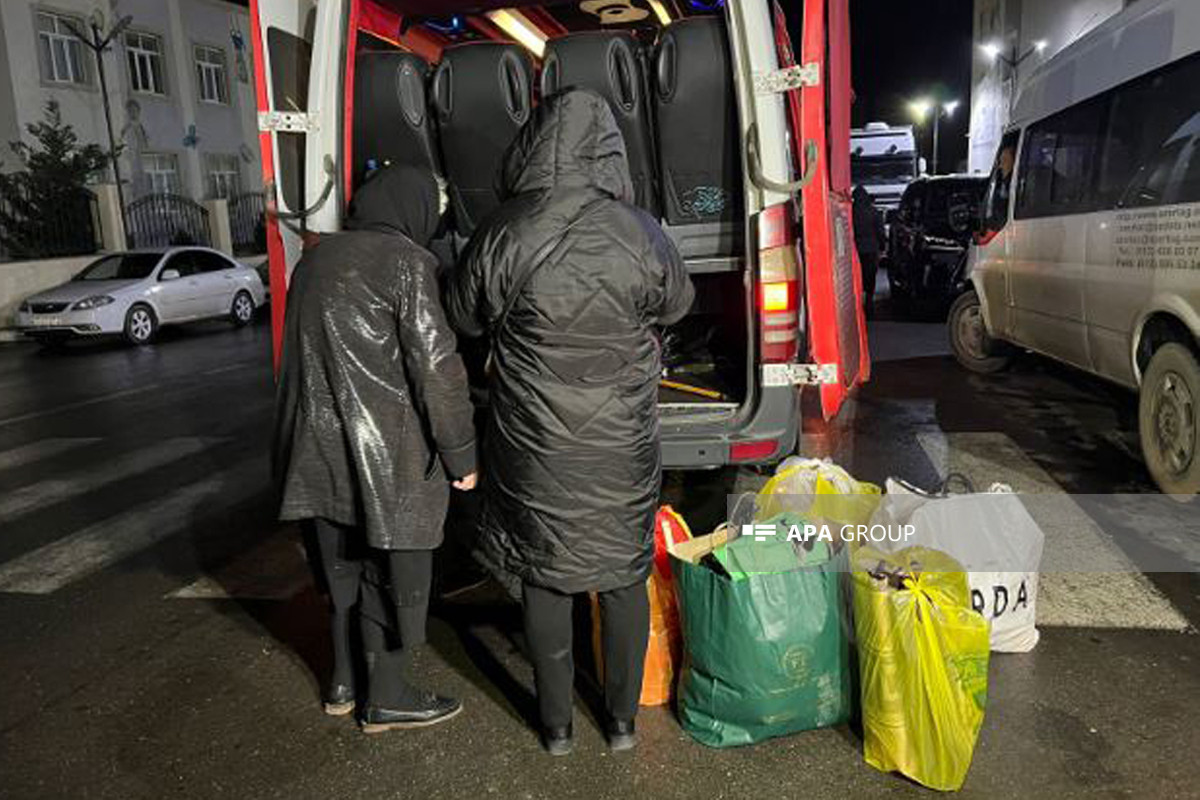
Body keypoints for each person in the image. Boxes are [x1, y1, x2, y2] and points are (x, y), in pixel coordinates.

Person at [447, 89, 694, 756]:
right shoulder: (642, 231)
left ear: (533, 146)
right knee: (620, 576)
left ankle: (554, 727)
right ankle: (620, 723)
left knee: (545, 575)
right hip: (621, 443)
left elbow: (464, 317)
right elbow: (678, 304)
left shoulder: (504, 229)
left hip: (535, 445)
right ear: (609, 152)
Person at [273, 164, 477, 733]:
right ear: (411, 210)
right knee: (384, 569)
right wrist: (461, 456)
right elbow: (437, 371)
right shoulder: (409, 264)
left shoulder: (315, 259)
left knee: (339, 567)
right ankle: (386, 696)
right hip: (384, 454)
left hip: (313, 446)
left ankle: (342, 682)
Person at [852, 184, 885, 317]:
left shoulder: (850, 212)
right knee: (870, 276)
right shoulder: (873, 212)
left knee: (857, 275)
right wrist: (882, 245)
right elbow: (880, 231)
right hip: (871, 248)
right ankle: (869, 301)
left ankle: (858, 300)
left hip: (856, 248)